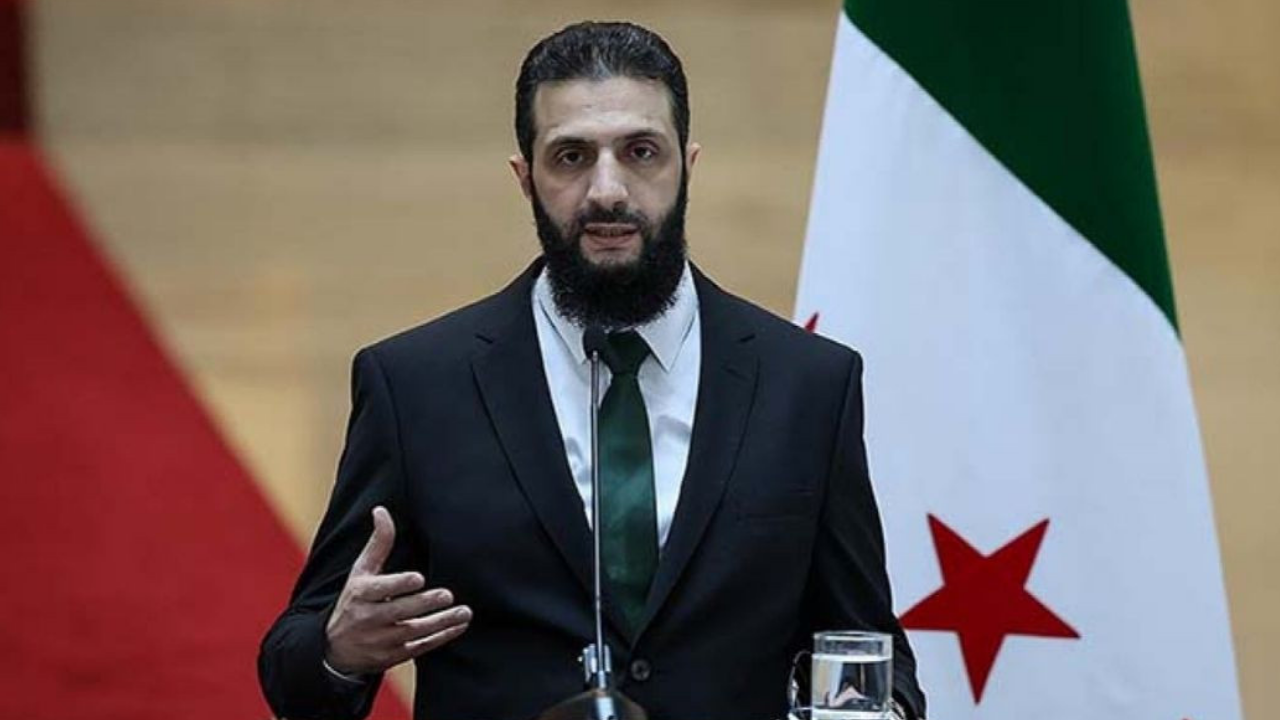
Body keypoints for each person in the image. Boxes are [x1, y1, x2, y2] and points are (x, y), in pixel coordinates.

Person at [259, 20, 926, 720]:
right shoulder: (418, 386)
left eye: (641, 152)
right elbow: (293, 671)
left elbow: (870, 651)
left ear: (687, 165)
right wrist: (339, 650)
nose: (607, 190)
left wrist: (882, 711)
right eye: (571, 156)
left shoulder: (808, 385)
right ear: (525, 178)